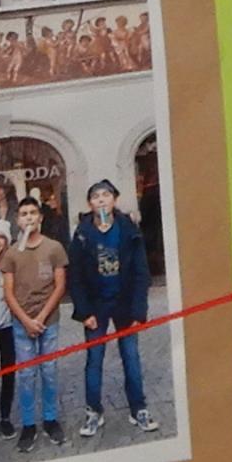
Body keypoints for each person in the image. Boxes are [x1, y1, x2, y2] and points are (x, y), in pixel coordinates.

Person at [68, 177, 154, 433]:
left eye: (105, 195)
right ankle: (94, 411)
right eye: (96, 197)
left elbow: (141, 273)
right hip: (96, 306)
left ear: (114, 200)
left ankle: (138, 408)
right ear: (90, 204)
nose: (101, 200)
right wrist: (84, 311)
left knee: (131, 357)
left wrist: (139, 311)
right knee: (94, 359)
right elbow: (75, 276)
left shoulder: (128, 229)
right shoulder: (82, 234)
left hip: (124, 303)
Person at [0, 197, 69, 451]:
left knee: (49, 371)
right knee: (26, 375)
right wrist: (26, 320)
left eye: (33, 213)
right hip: (22, 323)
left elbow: (60, 286)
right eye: (24, 213)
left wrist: (40, 318)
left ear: (40, 217)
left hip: (48, 321)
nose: (28, 217)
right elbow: (8, 293)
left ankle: (50, 419)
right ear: (17, 220)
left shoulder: (54, 248)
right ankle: (28, 424)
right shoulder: (11, 253)